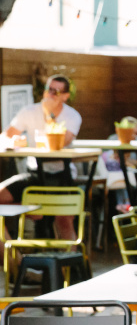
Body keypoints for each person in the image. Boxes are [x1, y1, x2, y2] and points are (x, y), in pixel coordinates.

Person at [0, 75, 82, 240]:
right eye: (48, 89)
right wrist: (13, 141)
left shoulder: (72, 116)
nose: (50, 94)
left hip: (62, 175)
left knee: (64, 220)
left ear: (65, 96)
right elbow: (6, 135)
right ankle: (14, 254)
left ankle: (72, 257)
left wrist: (48, 114)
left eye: (56, 91)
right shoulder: (29, 111)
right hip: (34, 174)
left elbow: (61, 141)